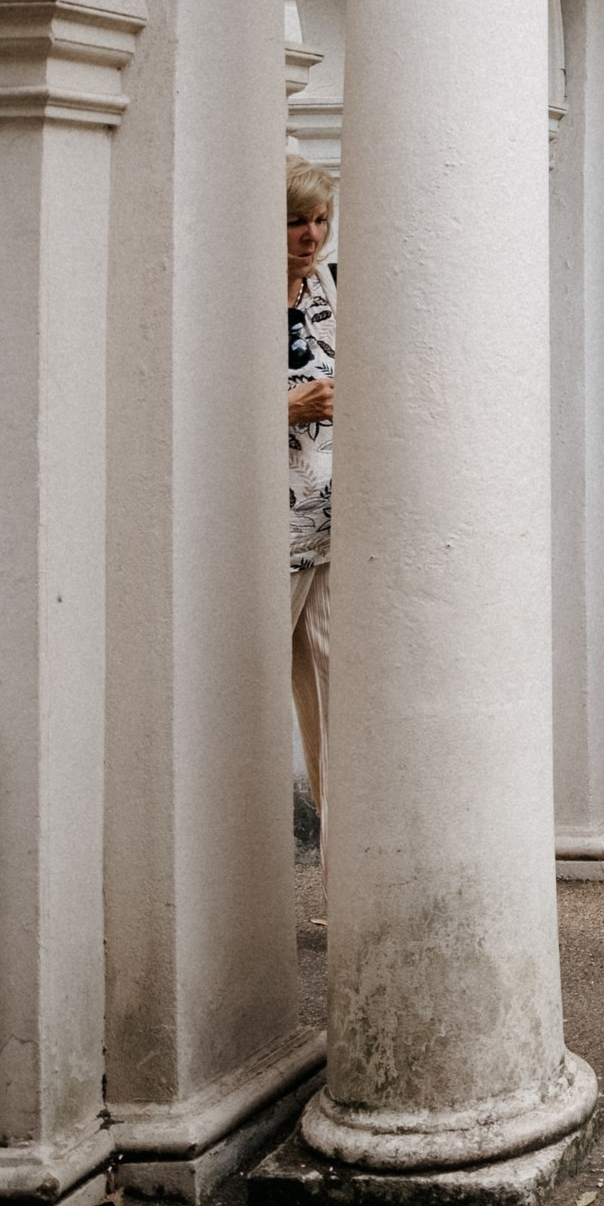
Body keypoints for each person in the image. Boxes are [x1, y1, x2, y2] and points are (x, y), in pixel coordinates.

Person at [285, 154, 337, 821]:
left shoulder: (327, 287)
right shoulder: (240, 297)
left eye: (320, 220)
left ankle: (344, 876)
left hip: (331, 530)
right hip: (270, 533)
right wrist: (288, 406)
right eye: (297, 221)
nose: (311, 235)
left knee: (338, 703)